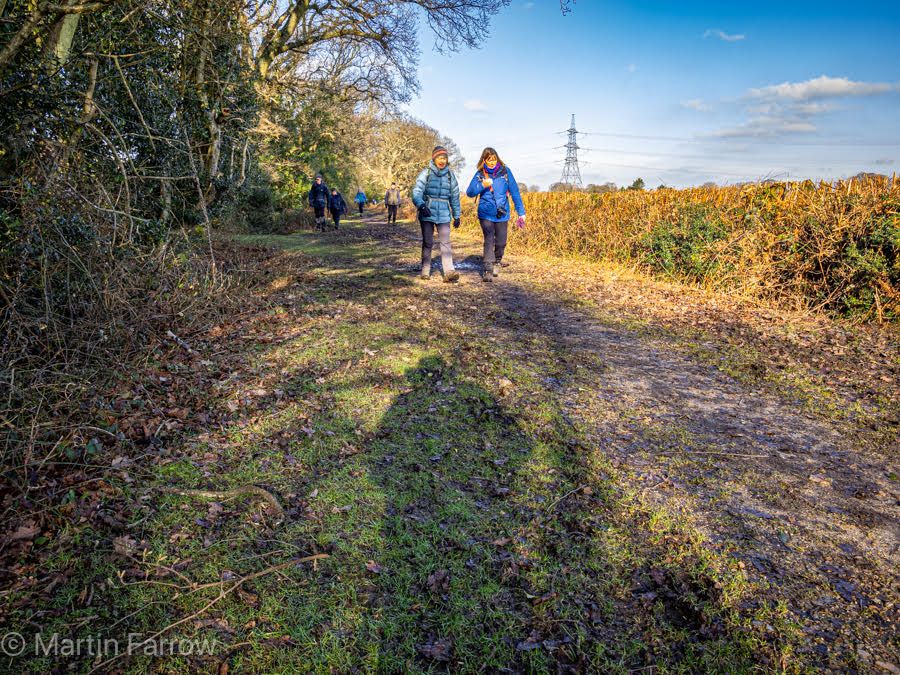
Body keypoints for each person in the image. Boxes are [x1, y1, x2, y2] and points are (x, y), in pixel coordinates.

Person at [465, 147, 526, 282]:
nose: (491, 162)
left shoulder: (505, 172)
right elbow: (469, 192)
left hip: (502, 213)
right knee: (489, 238)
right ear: (484, 160)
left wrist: (521, 213)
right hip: (485, 212)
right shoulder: (480, 173)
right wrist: (482, 185)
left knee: (501, 241)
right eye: (488, 160)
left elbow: (515, 192)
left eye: (493, 159)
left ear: (497, 159)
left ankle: (497, 261)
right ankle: (487, 268)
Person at [412, 146, 461, 282]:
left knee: (445, 242)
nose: (442, 160)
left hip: (444, 212)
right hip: (427, 210)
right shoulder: (426, 173)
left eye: (444, 158)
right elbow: (417, 191)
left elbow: (455, 196)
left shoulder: (450, 175)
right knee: (428, 242)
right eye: (440, 157)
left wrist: (457, 215)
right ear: (434, 159)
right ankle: (425, 269)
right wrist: (421, 205)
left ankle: (449, 271)